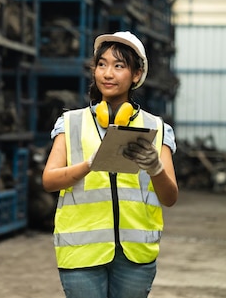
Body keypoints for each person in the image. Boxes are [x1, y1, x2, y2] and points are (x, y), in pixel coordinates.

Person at [42, 31, 178, 298]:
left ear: (136, 74)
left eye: (119, 66)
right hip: (81, 251)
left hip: (135, 254)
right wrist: (89, 165)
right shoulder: (71, 123)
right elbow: (49, 181)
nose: (107, 73)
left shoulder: (157, 128)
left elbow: (170, 197)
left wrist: (156, 168)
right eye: (102, 64)